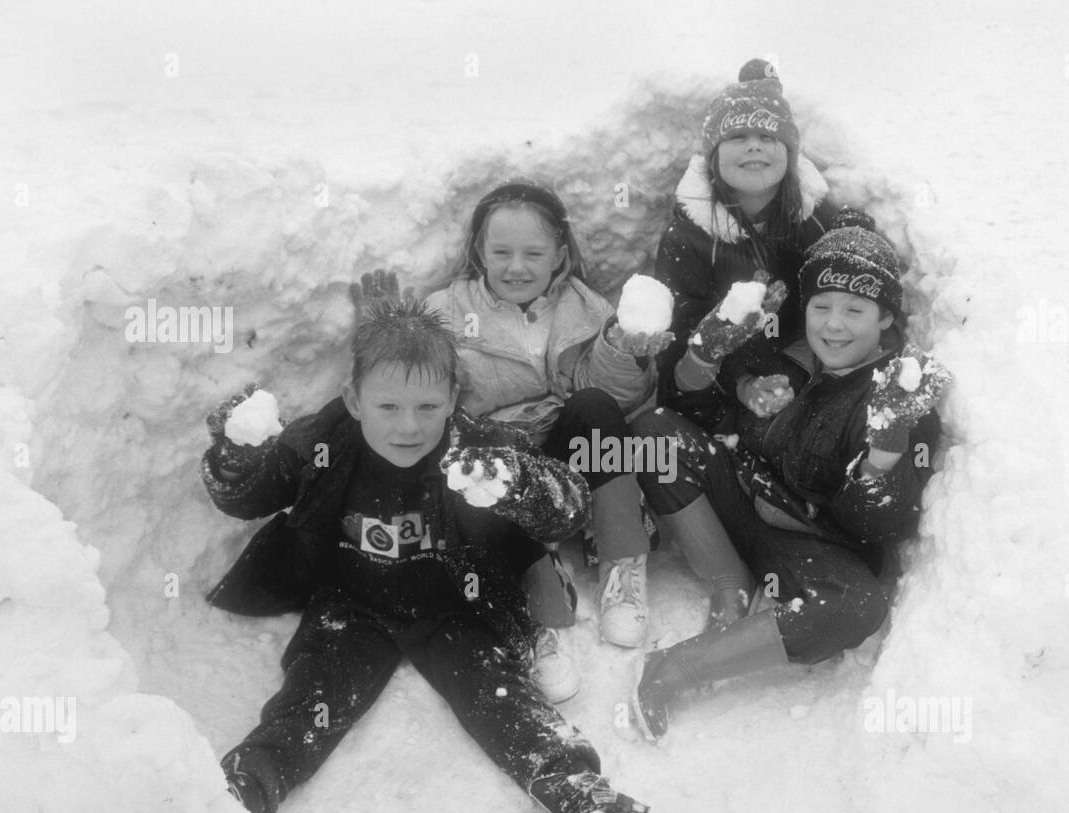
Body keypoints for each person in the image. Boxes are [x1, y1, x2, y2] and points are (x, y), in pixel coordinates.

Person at [200, 296, 648, 813]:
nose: (408, 425)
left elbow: (566, 507)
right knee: (310, 699)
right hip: (353, 604)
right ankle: (237, 795)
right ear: (353, 402)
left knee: (499, 701)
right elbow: (251, 497)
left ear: (453, 401)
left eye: (426, 405)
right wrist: (237, 457)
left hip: (456, 603)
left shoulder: (480, 450)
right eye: (388, 405)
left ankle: (585, 796)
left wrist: (517, 484)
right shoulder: (322, 443)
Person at [630, 226, 952, 740]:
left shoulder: (900, 393)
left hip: (809, 545)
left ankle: (678, 668)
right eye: (822, 305)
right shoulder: (795, 358)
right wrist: (715, 365)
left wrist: (883, 454)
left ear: (886, 316)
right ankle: (729, 580)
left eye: (855, 310)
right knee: (652, 433)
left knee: (857, 606)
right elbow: (698, 415)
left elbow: (880, 527)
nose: (834, 325)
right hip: (743, 501)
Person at [393, 181, 669, 700]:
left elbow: (619, 402)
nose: (516, 266)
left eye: (533, 253)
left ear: (559, 255)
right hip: (501, 455)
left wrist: (623, 352)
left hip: (566, 454)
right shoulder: (446, 311)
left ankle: (621, 561)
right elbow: (419, 390)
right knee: (480, 466)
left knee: (596, 408)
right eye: (501, 252)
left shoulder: (586, 308)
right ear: (479, 252)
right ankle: (542, 598)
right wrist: (390, 339)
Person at [653, 57, 873, 433]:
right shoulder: (687, 237)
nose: (754, 147)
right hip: (723, 383)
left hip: (809, 365)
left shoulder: (816, 220)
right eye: (737, 137)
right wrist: (741, 382)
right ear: (714, 155)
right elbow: (677, 341)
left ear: (789, 154)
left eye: (769, 137)